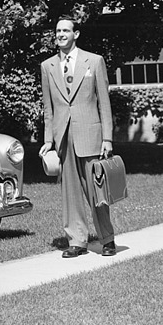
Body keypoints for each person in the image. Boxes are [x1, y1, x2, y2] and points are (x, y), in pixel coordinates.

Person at [39, 18, 117, 258]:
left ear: (76, 34)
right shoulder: (48, 66)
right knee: (70, 193)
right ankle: (77, 241)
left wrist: (107, 139)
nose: (61, 34)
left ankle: (107, 239)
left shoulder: (94, 61)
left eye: (66, 30)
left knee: (97, 190)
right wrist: (49, 140)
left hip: (91, 136)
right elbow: (48, 108)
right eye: (58, 31)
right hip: (63, 138)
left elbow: (104, 103)